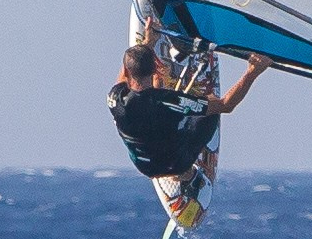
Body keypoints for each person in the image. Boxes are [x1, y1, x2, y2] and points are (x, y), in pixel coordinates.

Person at [107, 18, 272, 179]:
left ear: (129, 72)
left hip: (144, 166)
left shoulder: (115, 98)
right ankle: (187, 176)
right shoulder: (168, 101)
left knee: (159, 115)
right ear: (155, 67)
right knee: (211, 107)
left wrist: (148, 41)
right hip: (177, 164)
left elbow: (125, 75)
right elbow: (226, 105)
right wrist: (252, 72)